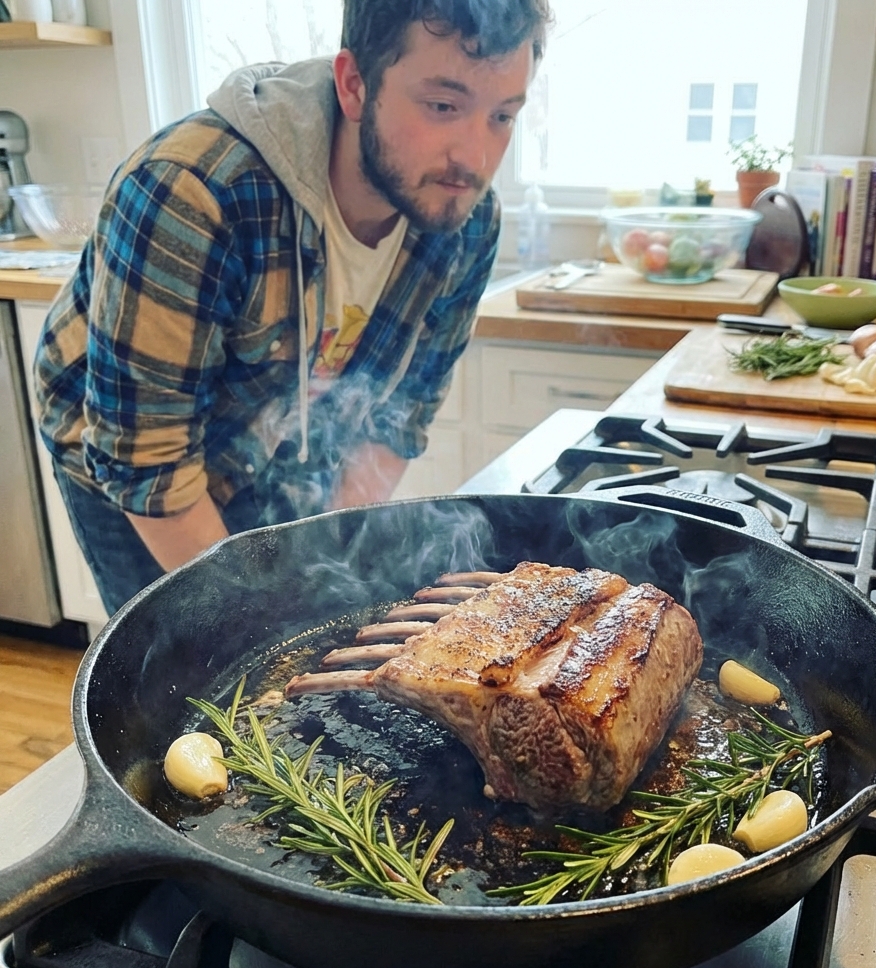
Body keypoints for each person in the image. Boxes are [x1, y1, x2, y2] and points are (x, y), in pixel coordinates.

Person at [33, 0, 549, 616]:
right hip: (132, 453)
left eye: (501, 116)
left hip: (278, 435)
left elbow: (399, 420)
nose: (474, 157)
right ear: (355, 85)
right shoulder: (191, 190)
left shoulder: (465, 221)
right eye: (443, 106)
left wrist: (334, 562)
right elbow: (146, 461)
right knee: (189, 659)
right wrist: (259, 620)